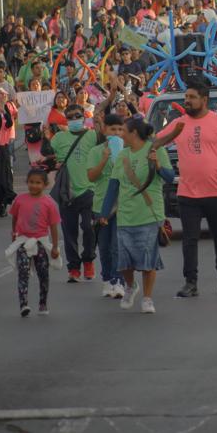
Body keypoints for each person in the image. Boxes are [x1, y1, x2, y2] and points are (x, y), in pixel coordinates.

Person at [163, 83, 217, 298]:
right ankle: (191, 282)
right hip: (188, 192)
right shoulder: (179, 123)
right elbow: (156, 142)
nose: (187, 100)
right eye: (185, 96)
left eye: (191, 96)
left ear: (204, 99)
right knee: (189, 239)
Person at [98, 118, 175, 314]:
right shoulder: (122, 155)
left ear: (133, 133)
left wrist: (157, 165)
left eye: (123, 130)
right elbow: (113, 186)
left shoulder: (155, 149)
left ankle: (147, 299)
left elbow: (169, 177)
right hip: (125, 216)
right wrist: (104, 213)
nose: (119, 134)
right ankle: (131, 286)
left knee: (148, 260)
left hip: (150, 213)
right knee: (124, 262)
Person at [50, 104, 99, 282]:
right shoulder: (58, 137)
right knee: (69, 232)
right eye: (70, 117)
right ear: (66, 120)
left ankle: (88, 260)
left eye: (77, 115)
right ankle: (74, 268)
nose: (74, 119)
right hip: (66, 192)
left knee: (89, 227)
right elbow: (46, 153)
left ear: (84, 117)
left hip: (89, 190)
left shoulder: (92, 135)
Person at [8, 169, 61, 317]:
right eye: (31, 182)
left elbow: (53, 226)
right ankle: (23, 304)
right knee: (23, 272)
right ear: (27, 182)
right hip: (23, 242)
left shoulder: (49, 203)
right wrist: (14, 233)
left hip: (41, 243)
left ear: (45, 185)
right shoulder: (20, 200)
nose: (34, 186)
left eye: (38, 183)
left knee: (43, 274)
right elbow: (14, 217)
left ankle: (43, 303)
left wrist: (55, 247)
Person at [86, 113, 126, 299]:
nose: (116, 133)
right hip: (101, 205)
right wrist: (104, 159)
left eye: (120, 129)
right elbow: (91, 177)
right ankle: (107, 279)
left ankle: (119, 281)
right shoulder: (96, 151)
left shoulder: (127, 150)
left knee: (118, 245)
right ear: (105, 130)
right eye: (113, 129)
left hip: (123, 205)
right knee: (104, 246)